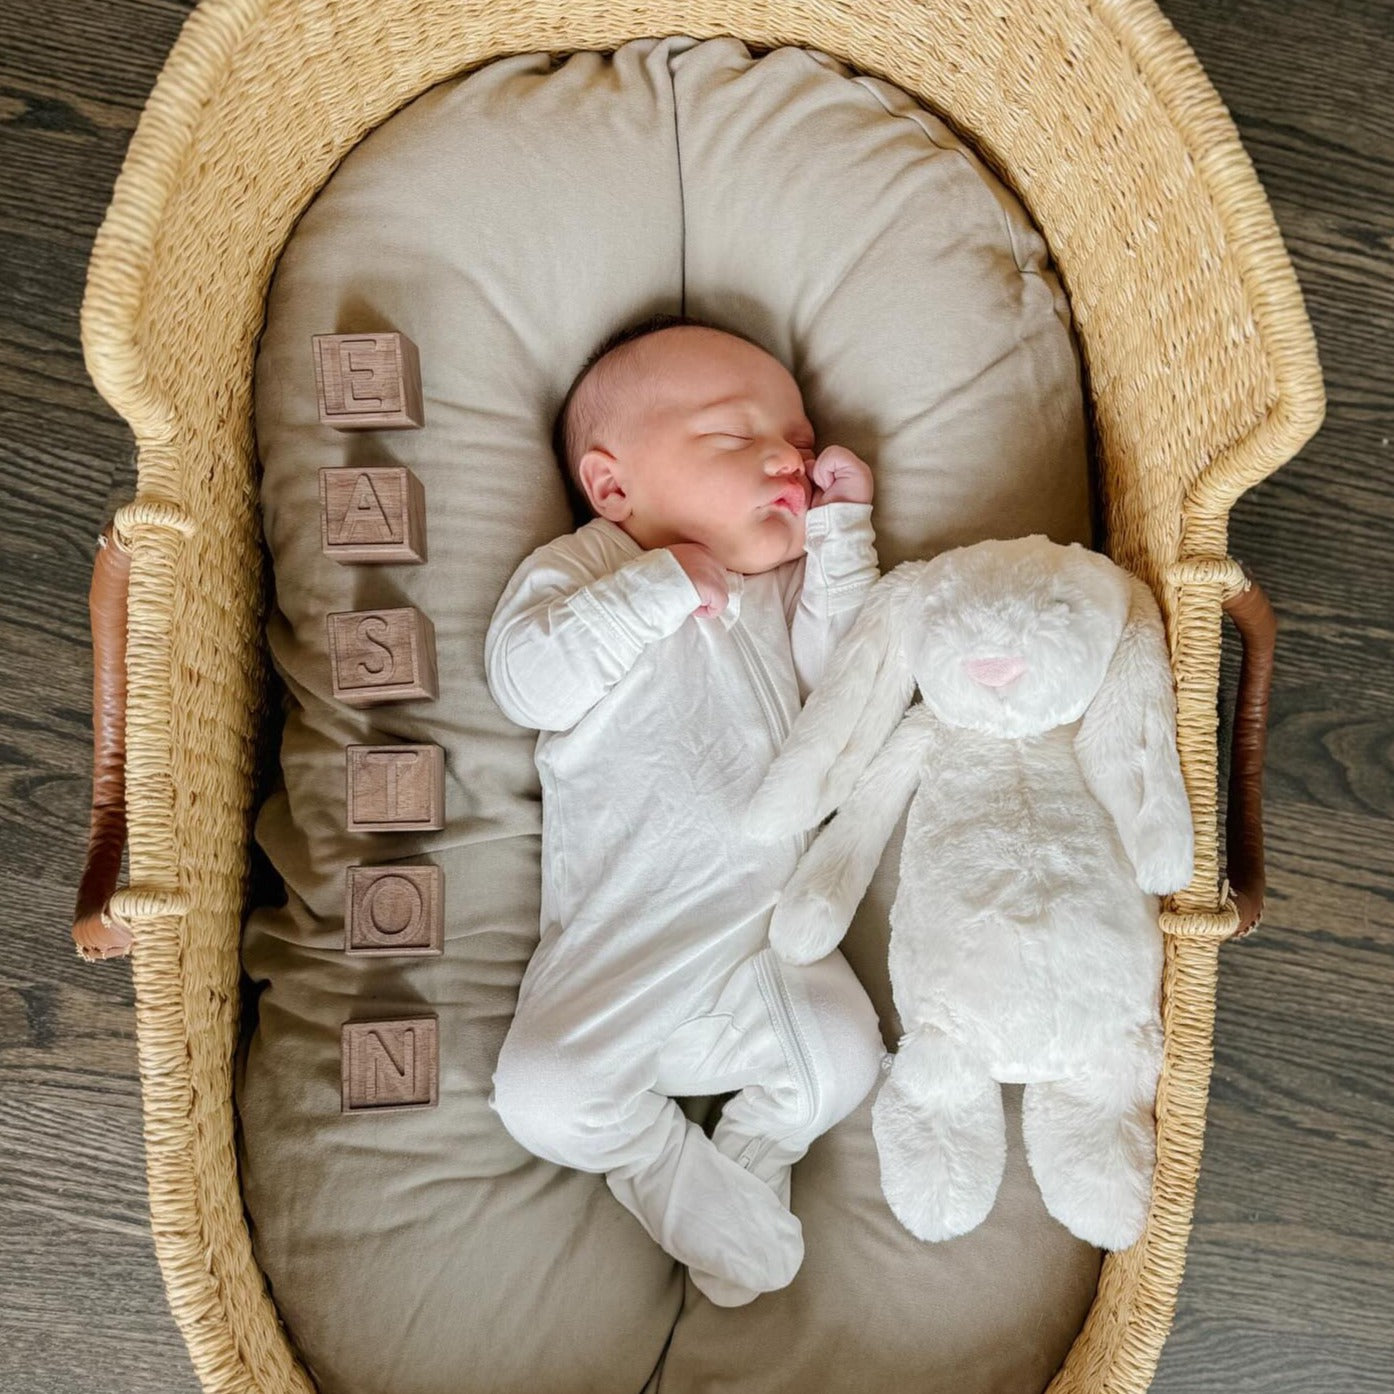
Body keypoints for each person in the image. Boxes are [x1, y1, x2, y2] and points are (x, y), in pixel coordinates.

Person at [484, 312, 887, 1306]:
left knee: (851, 1060)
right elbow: (526, 681)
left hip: (763, 951)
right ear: (612, 485)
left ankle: (747, 1160)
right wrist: (652, 591)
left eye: (796, 445)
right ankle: (663, 1164)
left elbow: (851, 683)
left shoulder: (781, 583)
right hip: (617, 950)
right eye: (732, 436)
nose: (786, 463)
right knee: (538, 1094)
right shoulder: (587, 570)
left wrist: (839, 533)